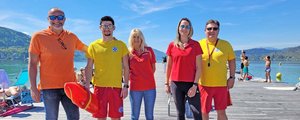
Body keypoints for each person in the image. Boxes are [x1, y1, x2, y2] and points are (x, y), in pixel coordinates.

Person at [28, 8, 87, 120]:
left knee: (74, 117)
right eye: (53, 17)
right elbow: (32, 64)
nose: (57, 20)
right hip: (49, 88)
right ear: (48, 19)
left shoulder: (72, 37)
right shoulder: (38, 37)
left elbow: (88, 49)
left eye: (60, 17)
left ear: (64, 19)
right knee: (51, 118)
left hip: (70, 86)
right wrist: (33, 87)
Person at [84, 16, 129, 120]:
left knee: (116, 117)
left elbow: (126, 67)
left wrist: (126, 86)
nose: (107, 28)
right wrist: (87, 85)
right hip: (99, 87)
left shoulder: (121, 45)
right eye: (104, 26)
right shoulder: (93, 45)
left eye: (109, 25)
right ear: (100, 28)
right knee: (100, 117)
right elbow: (89, 67)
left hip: (116, 88)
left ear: (114, 28)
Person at [165, 17, 203, 120]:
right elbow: (168, 66)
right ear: (178, 28)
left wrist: (195, 85)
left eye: (187, 26)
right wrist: (166, 84)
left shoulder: (195, 45)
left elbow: (199, 67)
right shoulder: (172, 45)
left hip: (191, 84)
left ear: (190, 29)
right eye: (182, 26)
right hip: (176, 84)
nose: (184, 28)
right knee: (180, 114)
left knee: (197, 112)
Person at [198, 19, 236, 120]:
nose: (212, 31)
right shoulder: (199, 44)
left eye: (215, 28)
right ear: (205, 30)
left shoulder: (226, 44)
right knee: (204, 112)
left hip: (221, 84)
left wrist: (232, 77)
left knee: (221, 112)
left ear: (218, 30)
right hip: (203, 84)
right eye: (209, 28)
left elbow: (232, 61)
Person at [128, 28, 156, 120]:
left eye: (138, 37)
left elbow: (153, 68)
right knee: (134, 116)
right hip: (135, 89)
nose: (136, 39)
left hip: (150, 88)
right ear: (131, 39)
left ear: (142, 38)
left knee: (149, 116)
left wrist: (145, 77)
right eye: (134, 37)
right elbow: (126, 70)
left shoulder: (149, 50)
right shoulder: (128, 54)